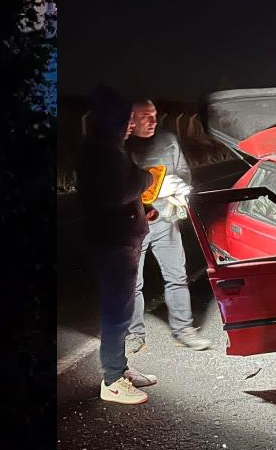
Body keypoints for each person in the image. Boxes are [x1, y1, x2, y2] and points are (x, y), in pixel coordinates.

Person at [76, 85, 158, 405]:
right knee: (117, 313)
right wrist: (144, 178)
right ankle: (112, 380)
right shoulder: (102, 151)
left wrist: (141, 210)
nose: (129, 126)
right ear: (112, 121)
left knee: (120, 310)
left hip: (119, 239)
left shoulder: (107, 147)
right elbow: (111, 194)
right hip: (113, 245)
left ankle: (119, 368)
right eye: (125, 120)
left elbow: (116, 195)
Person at [125, 99, 211, 352]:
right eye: (144, 116)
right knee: (132, 284)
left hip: (166, 221)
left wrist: (179, 190)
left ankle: (184, 328)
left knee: (176, 276)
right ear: (130, 118)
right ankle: (134, 334)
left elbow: (184, 173)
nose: (152, 121)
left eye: (154, 115)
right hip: (133, 226)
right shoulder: (121, 146)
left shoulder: (168, 140)